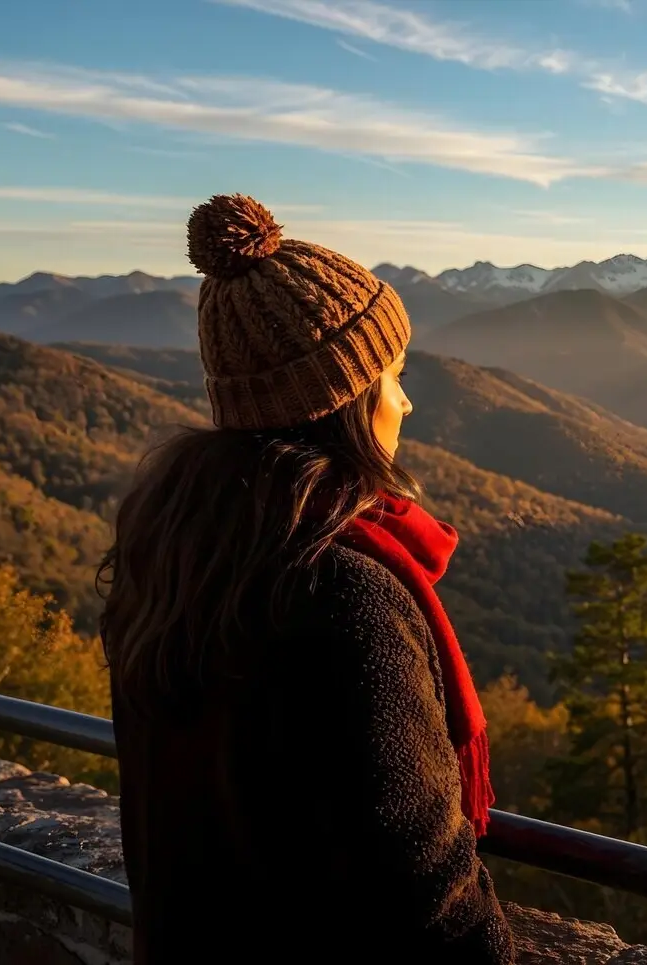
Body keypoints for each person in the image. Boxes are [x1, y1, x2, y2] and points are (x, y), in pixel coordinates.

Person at [98, 194, 515, 964]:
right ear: (344, 401)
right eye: (392, 375)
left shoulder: (174, 560)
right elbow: (427, 892)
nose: (407, 399)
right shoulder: (341, 592)